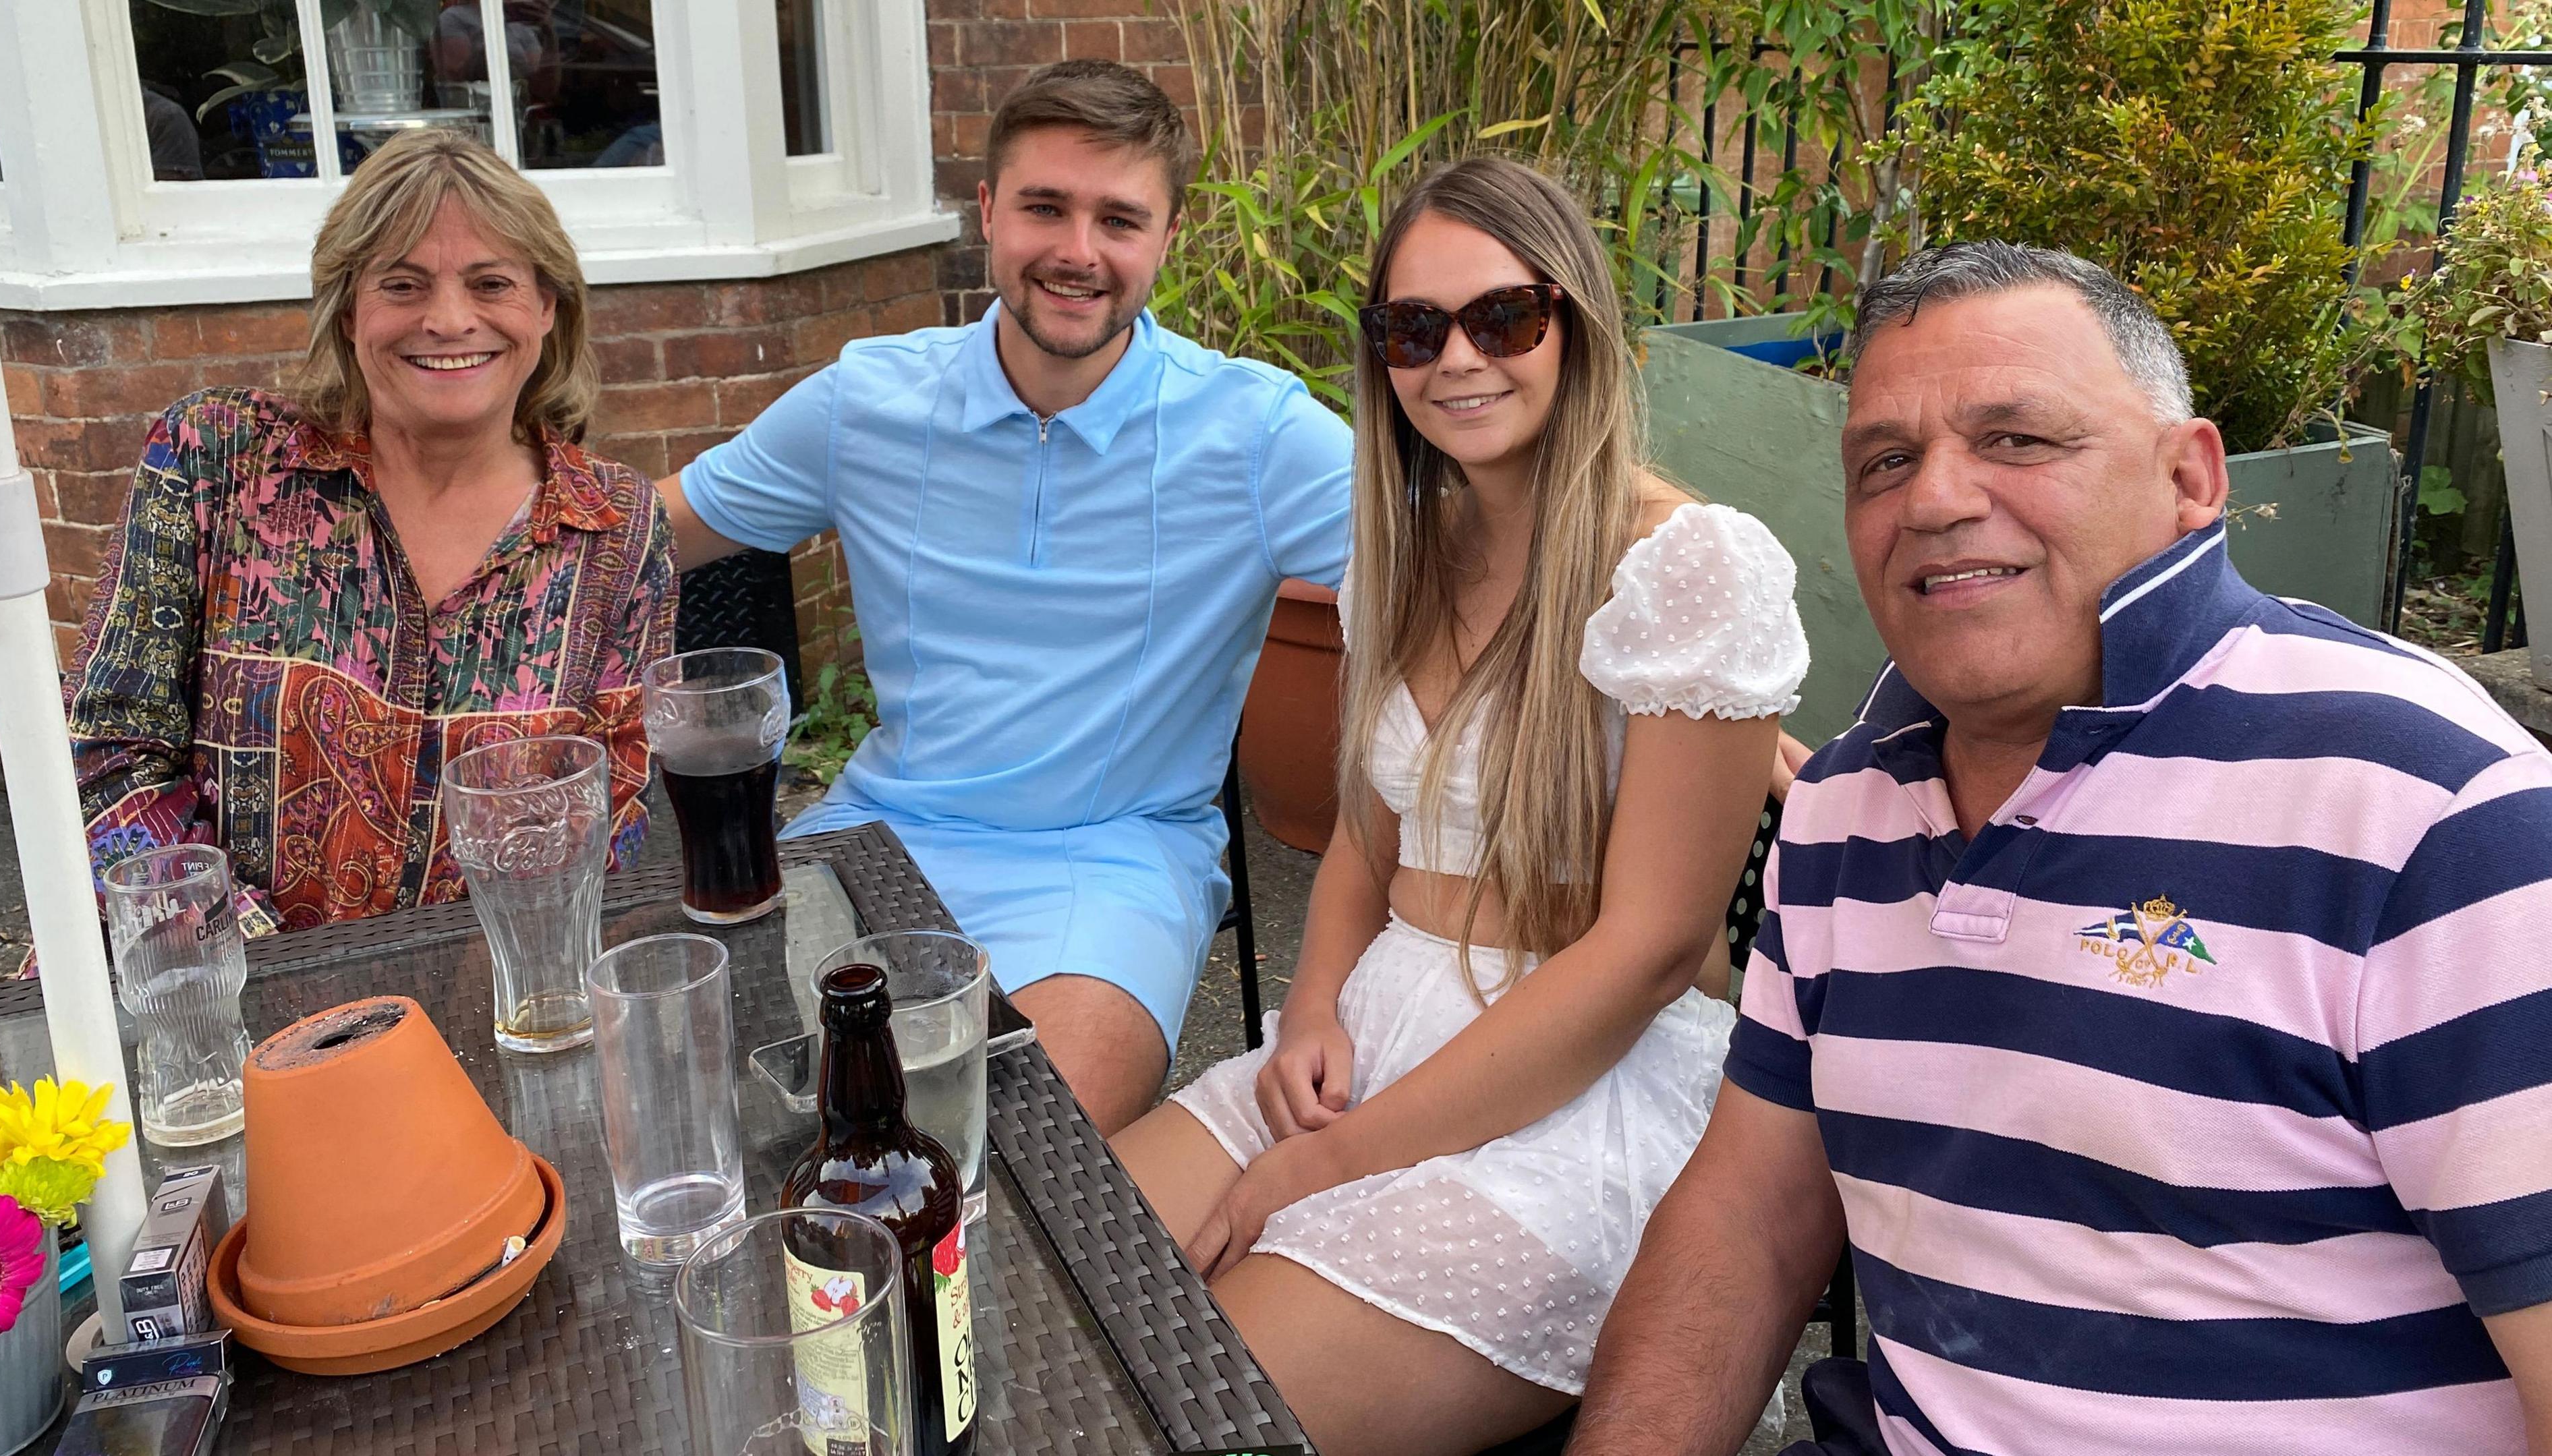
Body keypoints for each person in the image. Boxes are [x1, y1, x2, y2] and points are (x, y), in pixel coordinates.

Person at [1569, 241, 2552, 1456]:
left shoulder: (2427, 808)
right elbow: (1748, 1223)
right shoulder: (1840, 809)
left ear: (2192, 477)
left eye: (2018, 438)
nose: (1933, 497)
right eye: (1886, 460)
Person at [1112, 156, 1809, 1456]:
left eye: (1505, 317)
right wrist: (1314, 1005)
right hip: (1378, 1027)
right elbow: (1366, 845)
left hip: (1570, 1084)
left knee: (1190, 1403)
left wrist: (1329, 1162)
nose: (1458, 360)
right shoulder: (1405, 546)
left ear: (1575, 321)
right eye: (1415, 328)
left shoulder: (1687, 567)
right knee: (1051, 1273)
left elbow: (1650, 952)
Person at [658, 60, 1351, 1130]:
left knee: (1011, 1147)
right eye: (1045, 206)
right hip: (876, 832)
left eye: (1120, 218)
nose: (1079, 251)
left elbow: (1472, 555)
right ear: (987, 212)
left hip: (1111, 864)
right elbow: (633, 538)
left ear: (1169, 236)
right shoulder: (868, 401)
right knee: (696, 1096)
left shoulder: (1255, 435)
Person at [67, 129, 673, 934]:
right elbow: (105, 760)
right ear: (349, 309)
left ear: (547, 309)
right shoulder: (218, 460)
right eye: (404, 284)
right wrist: (269, 974)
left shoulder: (615, 526)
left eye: (491, 283)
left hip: (477, 1012)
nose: (450, 319)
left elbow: (617, 815)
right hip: (195, 1002)